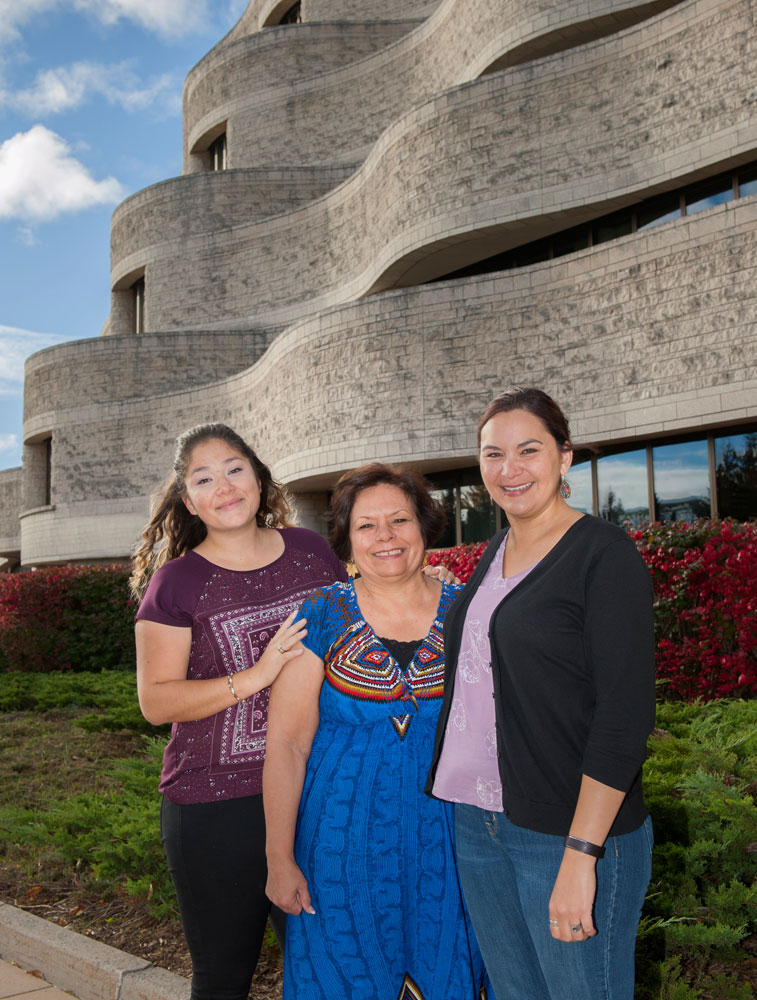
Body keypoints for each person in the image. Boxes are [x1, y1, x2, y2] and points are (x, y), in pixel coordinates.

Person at [426, 387, 656, 1000]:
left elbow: (625, 717)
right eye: (492, 454)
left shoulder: (603, 555)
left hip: (567, 831)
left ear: (565, 457)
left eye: (528, 450)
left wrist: (582, 855)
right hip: (480, 821)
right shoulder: (497, 550)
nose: (509, 469)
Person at [130, 423, 348, 1000]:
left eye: (234, 470)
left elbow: (351, 633)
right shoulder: (176, 583)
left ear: (258, 477)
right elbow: (155, 700)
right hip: (215, 809)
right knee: (225, 977)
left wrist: (422, 588)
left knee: (333, 967)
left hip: (314, 790)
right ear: (188, 500)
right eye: (204, 478)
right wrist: (255, 677)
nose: (223, 487)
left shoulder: (310, 551)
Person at [263, 463, 490, 1000]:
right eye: (367, 526)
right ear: (346, 539)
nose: (385, 537)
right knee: (345, 975)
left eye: (399, 520)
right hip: (340, 847)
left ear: (425, 528)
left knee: (451, 971)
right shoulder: (317, 618)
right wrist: (278, 857)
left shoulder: (469, 612)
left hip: (453, 841)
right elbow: (289, 746)